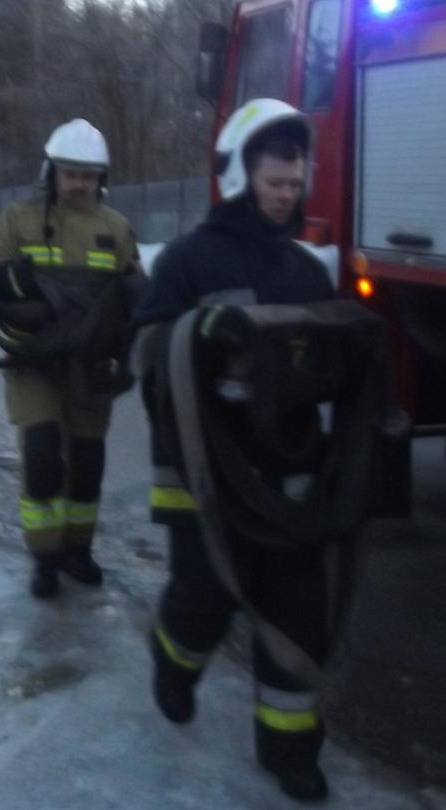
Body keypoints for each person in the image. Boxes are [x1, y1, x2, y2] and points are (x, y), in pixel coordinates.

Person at [132, 99, 338, 802]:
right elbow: (147, 352)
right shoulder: (188, 260)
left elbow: (337, 365)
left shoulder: (309, 272)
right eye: (274, 182)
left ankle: (291, 753)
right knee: (206, 597)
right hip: (203, 476)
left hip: (288, 479)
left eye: (294, 183)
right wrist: (201, 340)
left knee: (297, 614)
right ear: (239, 176)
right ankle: (173, 660)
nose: (286, 195)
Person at [0, 119, 141, 599]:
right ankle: (45, 557)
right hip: (35, 363)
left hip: (91, 366)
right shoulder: (19, 220)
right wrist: (14, 284)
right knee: (43, 454)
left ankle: (78, 550)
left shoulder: (115, 228)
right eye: (71, 174)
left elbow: (134, 286)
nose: (80, 184)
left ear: (101, 178)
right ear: (52, 172)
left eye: (88, 175)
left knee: (87, 460)